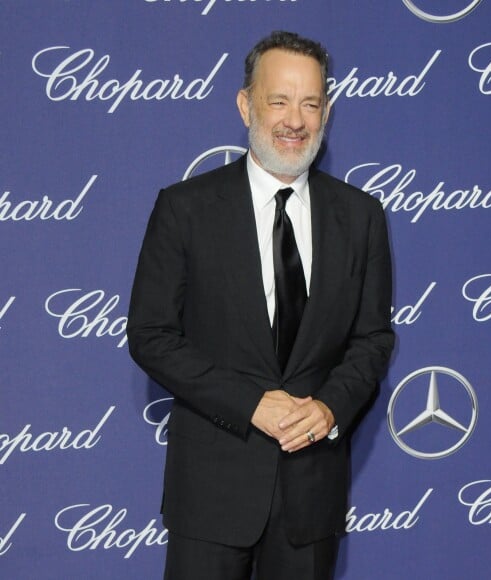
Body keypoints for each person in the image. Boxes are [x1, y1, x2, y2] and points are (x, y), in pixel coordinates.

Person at [127, 30, 394, 580]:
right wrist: (251, 403)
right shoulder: (185, 209)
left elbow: (372, 339)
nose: (295, 119)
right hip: (211, 493)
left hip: (311, 494)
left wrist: (328, 409)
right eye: (279, 100)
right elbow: (151, 335)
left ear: (326, 111)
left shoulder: (361, 216)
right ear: (246, 104)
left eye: (311, 103)